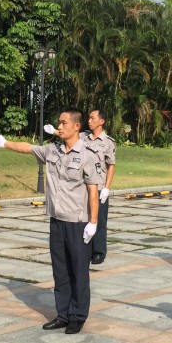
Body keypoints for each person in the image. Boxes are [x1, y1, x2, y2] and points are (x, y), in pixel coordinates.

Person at [0, 108, 101, 334]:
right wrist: (5, 143)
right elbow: (28, 148)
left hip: (78, 223)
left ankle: (77, 316)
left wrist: (93, 222)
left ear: (76, 126)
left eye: (63, 123)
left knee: (78, 272)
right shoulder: (52, 150)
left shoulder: (88, 155)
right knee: (60, 271)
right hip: (57, 220)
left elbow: (92, 191)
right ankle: (63, 314)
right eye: (59, 122)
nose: (59, 126)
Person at [49, 108, 116, 264]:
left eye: (93, 118)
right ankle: (84, 248)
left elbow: (111, 165)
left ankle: (98, 251)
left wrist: (107, 187)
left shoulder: (108, 142)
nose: (89, 121)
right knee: (84, 218)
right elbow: (68, 135)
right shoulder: (84, 136)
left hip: (98, 185)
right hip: (82, 186)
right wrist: (54, 131)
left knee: (99, 220)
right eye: (89, 118)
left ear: (102, 121)